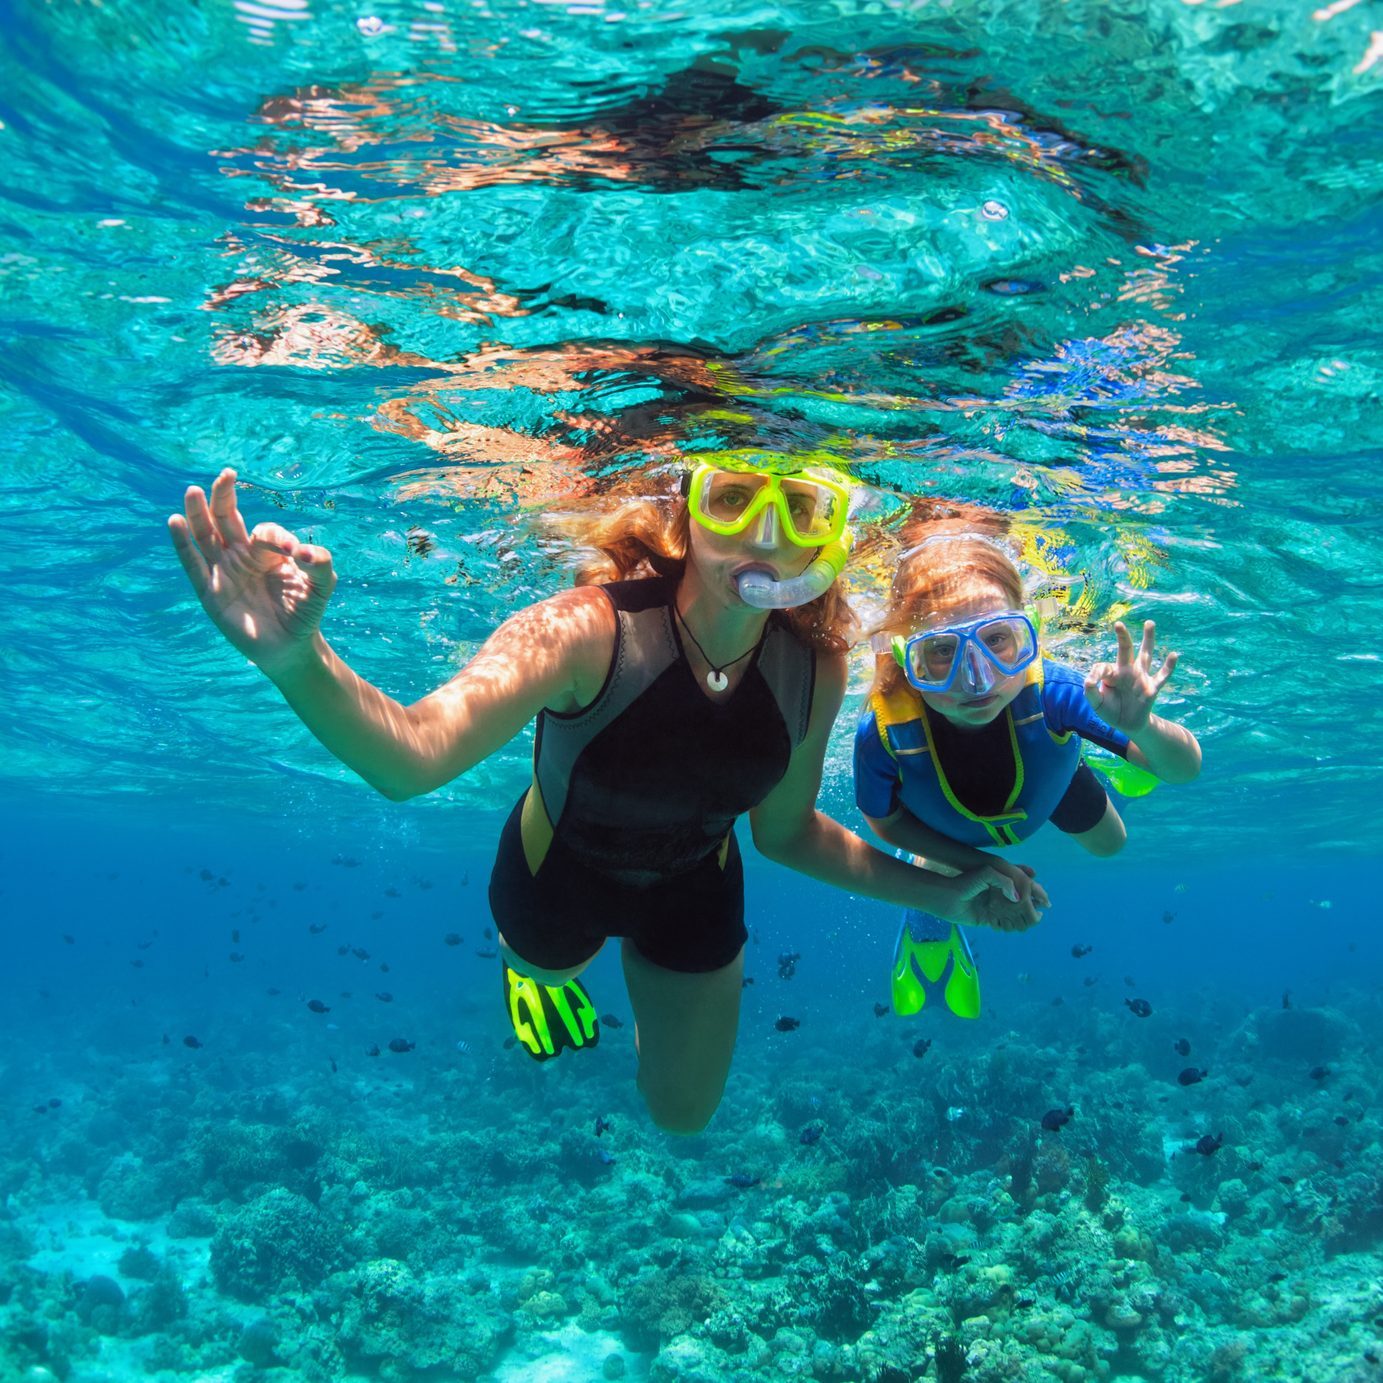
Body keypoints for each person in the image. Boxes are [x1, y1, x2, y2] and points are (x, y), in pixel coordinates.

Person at [169, 461, 1039, 1134]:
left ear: (826, 537)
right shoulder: (587, 628)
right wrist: (295, 659)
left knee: (682, 1116)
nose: (764, 536)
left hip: (697, 884)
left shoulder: (815, 665)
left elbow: (784, 835)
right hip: (558, 874)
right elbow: (412, 758)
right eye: (734, 498)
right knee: (548, 971)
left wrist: (946, 891)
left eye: (801, 510)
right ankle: (532, 969)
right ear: (688, 511)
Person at [854, 529, 1201, 1021]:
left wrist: (1143, 726)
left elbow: (1184, 771)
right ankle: (927, 914)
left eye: (997, 641)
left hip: (1048, 779)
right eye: (941, 652)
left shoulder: (1057, 693)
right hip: (941, 824)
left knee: (1112, 844)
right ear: (905, 656)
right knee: (935, 868)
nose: (977, 679)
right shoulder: (883, 733)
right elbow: (885, 823)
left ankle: (1106, 748)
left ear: (1028, 635)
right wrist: (979, 866)